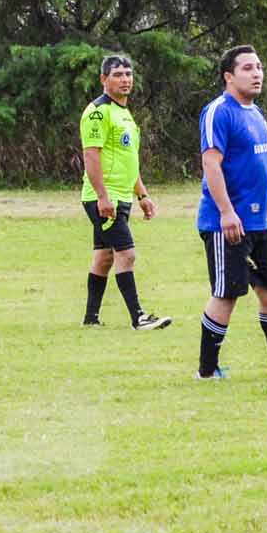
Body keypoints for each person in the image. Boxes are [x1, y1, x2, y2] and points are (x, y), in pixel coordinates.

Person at [195, 45, 267, 381]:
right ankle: (207, 372)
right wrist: (227, 212)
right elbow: (211, 163)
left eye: (259, 67)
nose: (257, 74)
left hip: (257, 223)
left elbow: (255, 168)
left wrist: (265, 212)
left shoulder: (255, 113)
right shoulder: (218, 112)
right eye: (247, 68)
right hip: (226, 224)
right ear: (229, 76)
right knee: (226, 294)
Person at [78, 54, 168, 330]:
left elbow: (129, 160)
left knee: (104, 257)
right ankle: (138, 317)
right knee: (126, 254)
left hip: (122, 196)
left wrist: (142, 195)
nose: (125, 79)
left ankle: (90, 319)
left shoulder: (125, 113)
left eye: (128, 74)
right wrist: (103, 197)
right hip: (105, 199)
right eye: (117, 74)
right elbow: (91, 155)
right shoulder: (97, 112)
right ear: (104, 79)